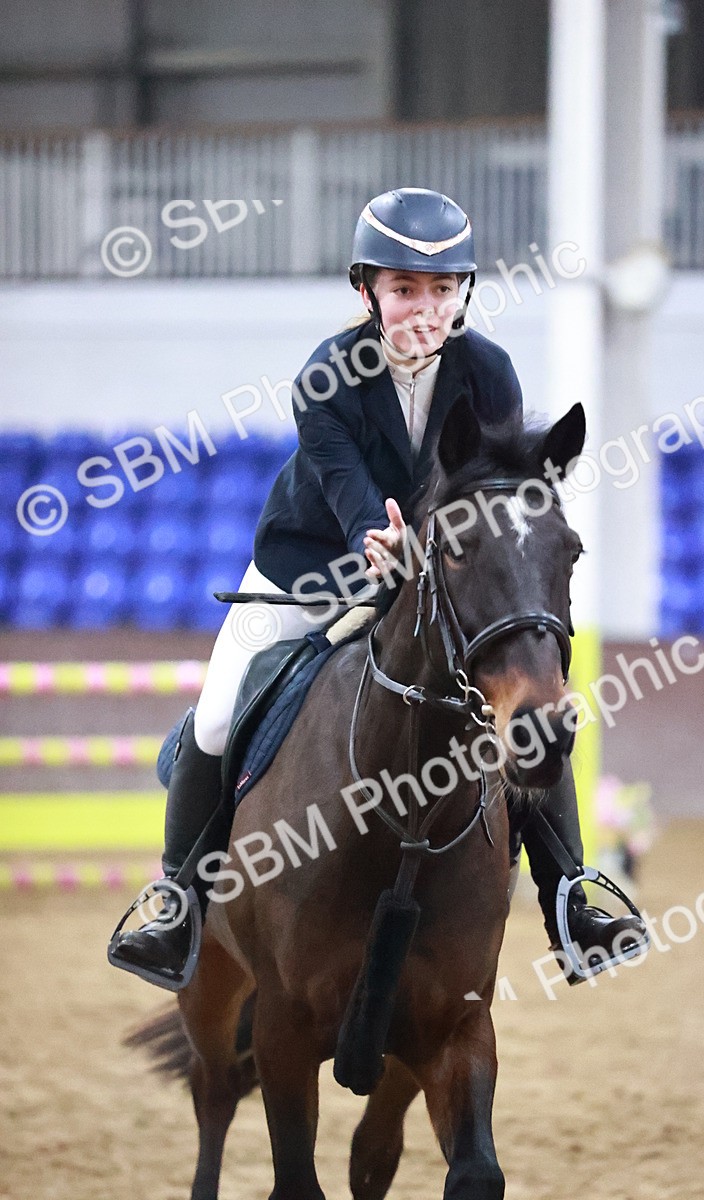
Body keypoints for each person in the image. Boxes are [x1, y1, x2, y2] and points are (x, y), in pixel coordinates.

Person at [110, 187, 646, 988]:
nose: (424, 309)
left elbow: (491, 485)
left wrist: (438, 551)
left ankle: (573, 891)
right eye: (404, 290)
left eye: (441, 289)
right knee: (219, 713)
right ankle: (178, 897)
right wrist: (383, 536)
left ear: (464, 292)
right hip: (312, 567)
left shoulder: (487, 371)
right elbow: (351, 497)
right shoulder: (325, 376)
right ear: (366, 292)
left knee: (527, 700)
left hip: (438, 573)